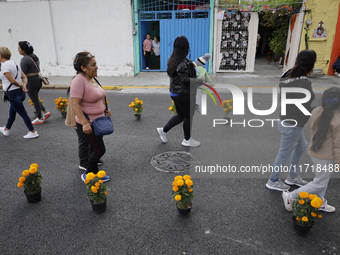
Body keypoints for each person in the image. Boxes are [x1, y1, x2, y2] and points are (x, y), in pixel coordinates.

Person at [282, 87, 340, 213]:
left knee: (322, 180)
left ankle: (319, 201)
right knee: (320, 182)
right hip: (325, 155)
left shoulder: (316, 111)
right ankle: (291, 196)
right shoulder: (337, 120)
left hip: (314, 151)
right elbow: (338, 145)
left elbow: (310, 127)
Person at [266, 49, 317, 191]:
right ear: (312, 64)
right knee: (284, 153)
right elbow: (302, 105)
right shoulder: (304, 81)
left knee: (301, 147)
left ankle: (292, 177)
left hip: (286, 120)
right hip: (292, 124)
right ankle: (273, 180)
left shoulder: (287, 74)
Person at [70, 52, 111, 182]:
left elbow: (96, 96)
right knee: (100, 150)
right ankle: (88, 173)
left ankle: (95, 172)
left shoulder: (92, 77)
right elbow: (75, 104)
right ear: (83, 68)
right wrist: (85, 123)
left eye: (96, 64)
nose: (96, 67)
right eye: (93, 65)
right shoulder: (78, 81)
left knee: (94, 148)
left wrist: (104, 108)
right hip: (88, 123)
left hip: (98, 121)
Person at [156, 36, 203, 147]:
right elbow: (185, 80)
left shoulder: (173, 60)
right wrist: (199, 81)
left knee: (181, 115)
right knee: (187, 116)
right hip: (183, 94)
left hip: (175, 93)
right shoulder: (182, 63)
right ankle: (187, 140)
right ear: (185, 47)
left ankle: (164, 130)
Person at [0, 46, 39, 139]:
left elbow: (12, 81)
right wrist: (24, 85)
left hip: (13, 94)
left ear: (0, 55)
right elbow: (24, 77)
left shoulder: (5, 65)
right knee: (12, 113)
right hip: (20, 93)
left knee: (23, 114)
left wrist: (22, 86)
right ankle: (6, 129)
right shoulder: (14, 63)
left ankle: (33, 132)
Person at [18, 41, 50, 124]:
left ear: (24, 50)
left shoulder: (24, 59)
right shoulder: (34, 56)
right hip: (38, 79)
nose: (18, 50)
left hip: (30, 81)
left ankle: (39, 118)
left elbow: (23, 73)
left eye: (19, 48)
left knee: (34, 100)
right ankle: (45, 112)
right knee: (35, 98)